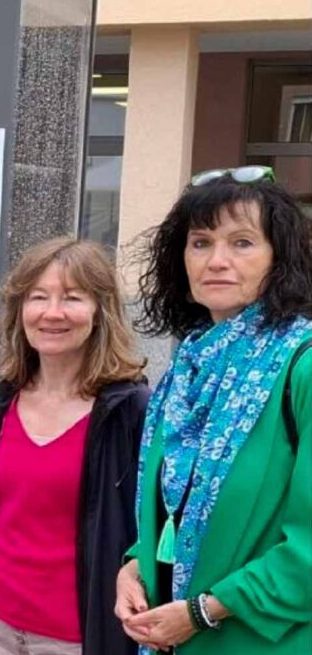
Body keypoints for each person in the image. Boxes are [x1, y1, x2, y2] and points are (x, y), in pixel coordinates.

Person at [115, 166, 312, 654]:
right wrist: (135, 564)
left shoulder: (301, 366)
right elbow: (173, 507)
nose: (217, 260)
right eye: (201, 243)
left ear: (279, 258)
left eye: (242, 243)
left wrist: (203, 612)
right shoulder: (189, 367)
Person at [0, 237, 149, 655]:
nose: (52, 313)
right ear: (20, 311)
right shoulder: (2, 404)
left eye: (71, 297)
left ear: (99, 313)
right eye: (38, 297)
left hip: (78, 634)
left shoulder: (129, 410)